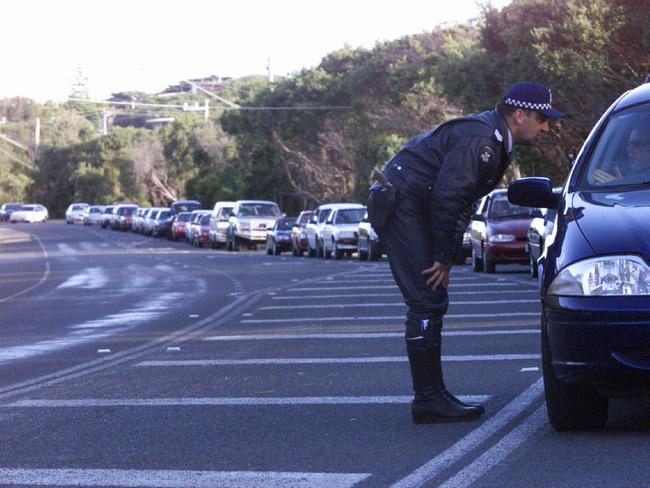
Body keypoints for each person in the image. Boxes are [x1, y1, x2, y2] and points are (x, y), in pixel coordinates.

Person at [367, 82, 564, 424]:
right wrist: (444, 257)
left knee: (432, 297)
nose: (546, 126)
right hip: (402, 204)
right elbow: (449, 198)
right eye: (542, 118)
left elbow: (458, 200)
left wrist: (446, 253)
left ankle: (434, 394)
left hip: (413, 202)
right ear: (519, 115)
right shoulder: (483, 141)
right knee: (426, 298)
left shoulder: (494, 138)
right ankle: (427, 400)